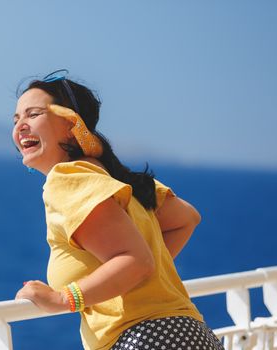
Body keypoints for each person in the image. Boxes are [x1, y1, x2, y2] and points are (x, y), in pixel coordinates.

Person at [13, 70, 224, 350]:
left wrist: (63, 299)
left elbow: (137, 261)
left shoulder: (68, 179)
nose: (21, 126)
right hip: (190, 333)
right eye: (16, 119)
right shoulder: (118, 180)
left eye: (33, 114)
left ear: (70, 125)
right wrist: (128, 277)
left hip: (145, 340)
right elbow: (186, 218)